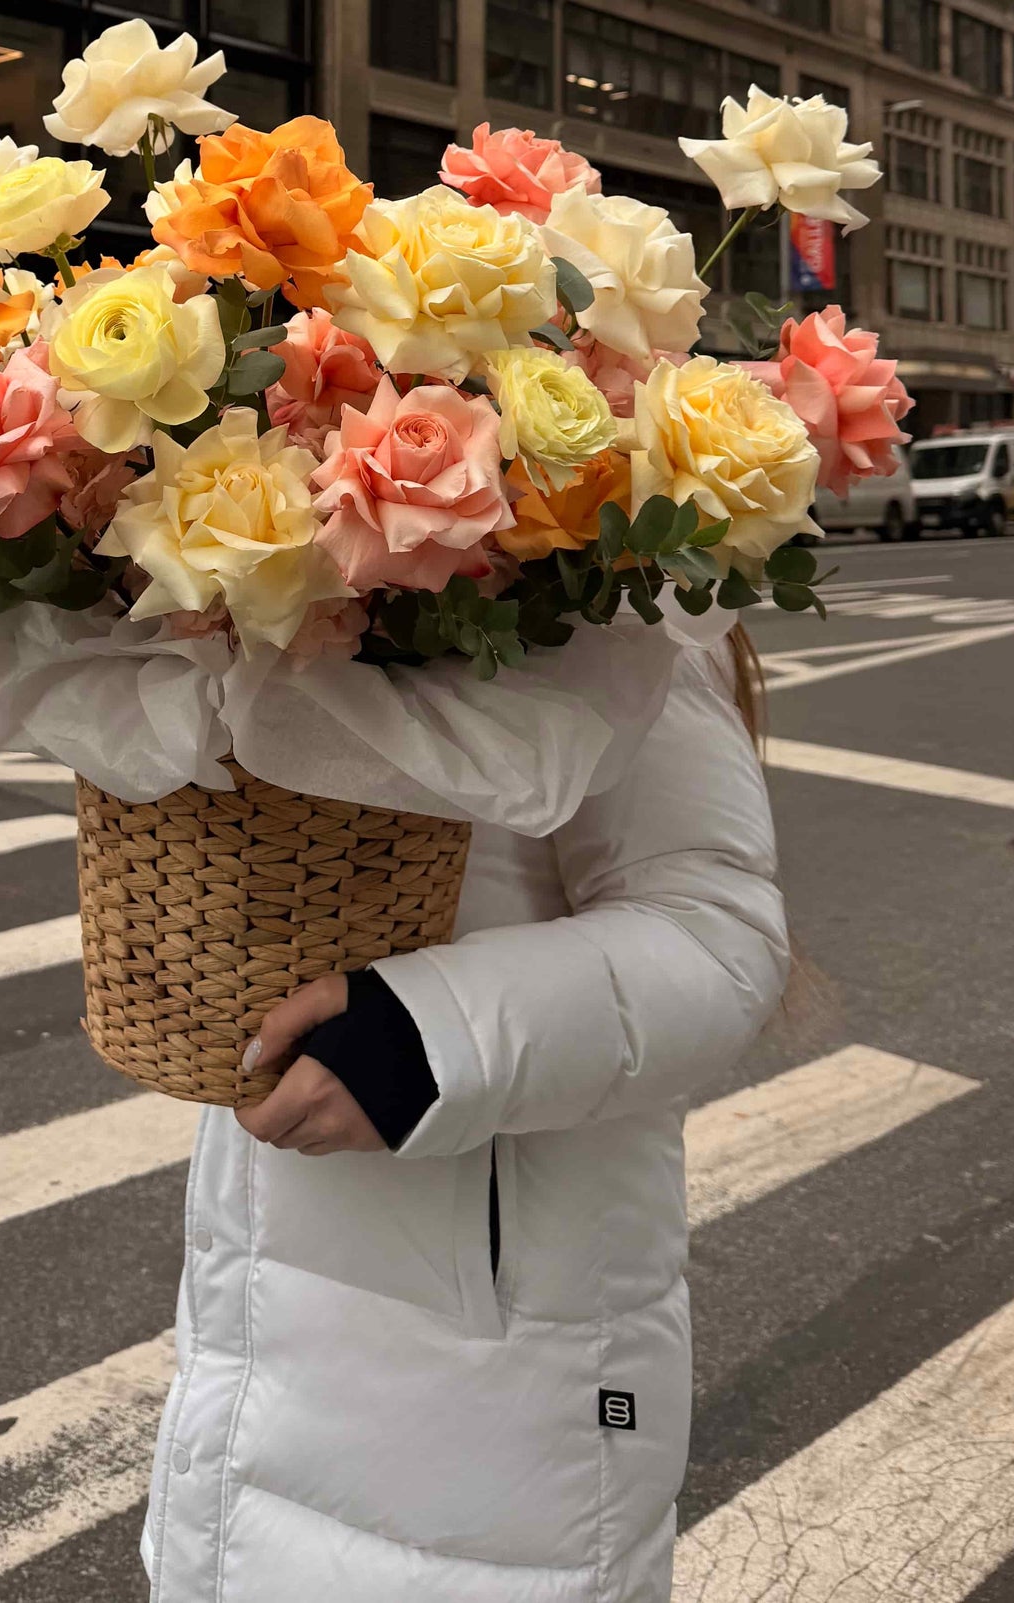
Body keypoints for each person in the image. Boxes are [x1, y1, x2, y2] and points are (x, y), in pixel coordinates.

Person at [141, 631, 789, 1603]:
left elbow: (716, 934)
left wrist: (421, 1038)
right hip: (268, 1293)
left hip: (499, 1356)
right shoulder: (292, 600)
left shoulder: (612, 599)